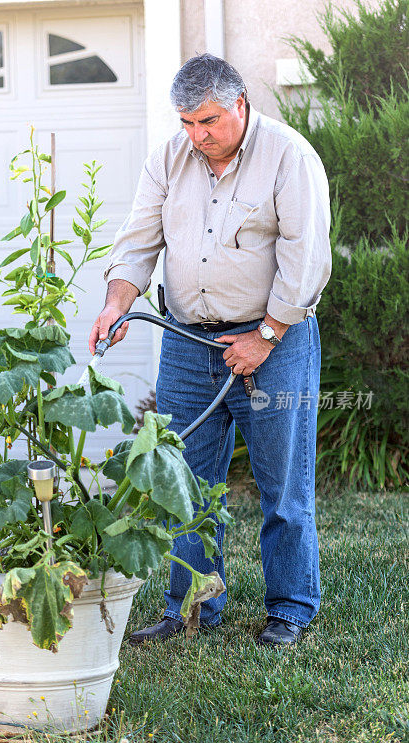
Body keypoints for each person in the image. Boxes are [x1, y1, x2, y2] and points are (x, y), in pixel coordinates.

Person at [88, 54, 331, 647]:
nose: (198, 136)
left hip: (274, 341)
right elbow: (139, 238)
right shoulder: (170, 158)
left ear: (240, 105)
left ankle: (291, 608)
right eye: (188, 123)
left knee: (282, 486)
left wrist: (266, 336)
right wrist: (118, 301)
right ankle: (191, 607)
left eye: (210, 122)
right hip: (189, 344)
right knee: (183, 483)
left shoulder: (288, 157)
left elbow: (306, 258)